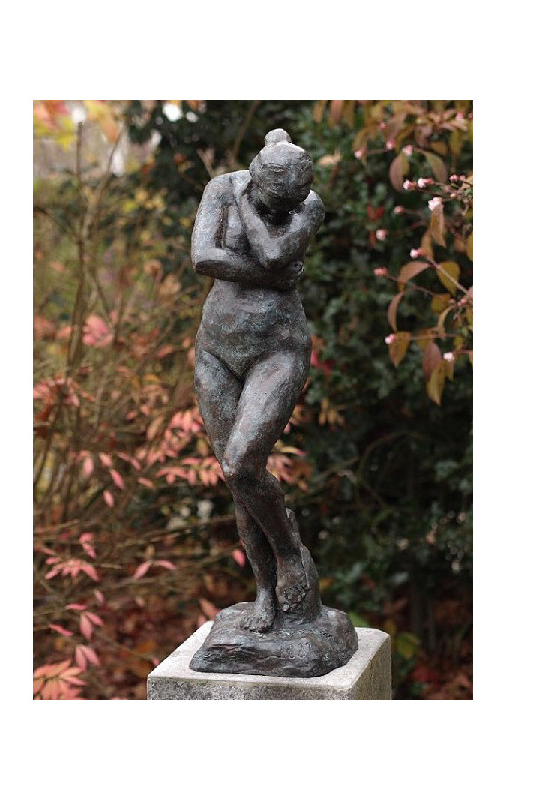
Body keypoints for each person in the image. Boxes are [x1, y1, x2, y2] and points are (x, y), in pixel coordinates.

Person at [191, 129, 324, 632]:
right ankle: (264, 589)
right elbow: (203, 256)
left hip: (277, 349)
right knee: (236, 478)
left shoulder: (308, 206)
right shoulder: (221, 189)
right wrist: (272, 277)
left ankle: (289, 552)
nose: (280, 210)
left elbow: (272, 253)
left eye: (287, 205)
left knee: (243, 462)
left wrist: (254, 224)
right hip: (216, 350)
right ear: (254, 178)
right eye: (270, 202)